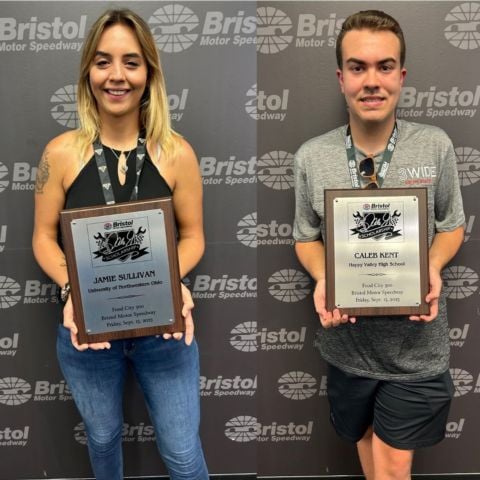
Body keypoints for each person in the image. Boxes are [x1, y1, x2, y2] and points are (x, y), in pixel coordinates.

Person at [32, 9, 208, 480]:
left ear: (149, 73)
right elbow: (43, 240)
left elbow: (193, 237)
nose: (117, 75)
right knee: (104, 441)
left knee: (183, 455)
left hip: (164, 334)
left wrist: (172, 284)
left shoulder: (177, 153)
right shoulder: (61, 153)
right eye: (103, 61)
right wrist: (75, 290)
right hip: (87, 334)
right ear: (88, 72)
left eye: (131, 62)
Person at [293, 10, 464, 480]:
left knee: (391, 470)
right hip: (347, 347)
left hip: (415, 349)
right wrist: (325, 276)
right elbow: (305, 237)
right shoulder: (312, 156)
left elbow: (453, 224)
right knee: (369, 454)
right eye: (358, 67)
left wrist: (431, 264)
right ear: (341, 77)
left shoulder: (435, 146)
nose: (372, 81)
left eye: (384, 67)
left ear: (402, 76)